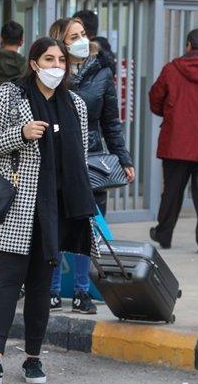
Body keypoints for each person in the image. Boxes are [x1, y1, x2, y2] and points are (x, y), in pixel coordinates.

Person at [0, 37, 95, 384]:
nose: (56, 66)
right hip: (18, 203)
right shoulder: (9, 95)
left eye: (61, 60)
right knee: (9, 280)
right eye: (49, 59)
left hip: (56, 206)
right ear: (33, 63)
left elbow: (81, 158)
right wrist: (21, 134)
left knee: (41, 285)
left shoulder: (75, 104)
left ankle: (33, 357)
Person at [47, 16, 135, 313]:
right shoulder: (50, 73)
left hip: (91, 160)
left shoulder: (101, 72)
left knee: (85, 226)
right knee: (55, 226)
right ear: (60, 41)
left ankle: (84, 292)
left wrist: (123, 158)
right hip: (56, 159)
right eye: (73, 37)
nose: (81, 40)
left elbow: (111, 122)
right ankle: (53, 290)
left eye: (83, 34)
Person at [148, 28, 198, 253]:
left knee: (172, 192)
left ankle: (164, 234)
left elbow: (155, 99)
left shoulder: (171, 69)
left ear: (188, 45)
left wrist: (170, 115)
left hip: (175, 141)